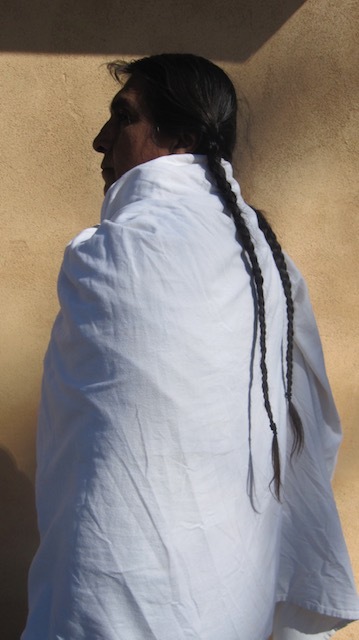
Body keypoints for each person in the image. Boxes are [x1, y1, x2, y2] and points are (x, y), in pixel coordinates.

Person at [22, 54, 359, 640]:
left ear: (183, 134)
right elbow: (316, 428)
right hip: (224, 593)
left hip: (109, 590)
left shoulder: (113, 252)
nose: (101, 141)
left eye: (122, 118)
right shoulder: (271, 265)